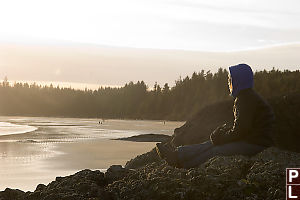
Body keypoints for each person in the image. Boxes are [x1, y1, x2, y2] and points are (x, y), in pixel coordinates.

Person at [156, 63, 275, 169]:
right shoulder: (246, 97)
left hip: (255, 143)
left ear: (238, 80)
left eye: (230, 79)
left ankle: (182, 164)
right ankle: (176, 155)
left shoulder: (245, 99)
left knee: (216, 150)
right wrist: (223, 134)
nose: (228, 83)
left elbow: (242, 130)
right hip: (253, 139)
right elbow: (242, 126)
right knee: (210, 143)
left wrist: (222, 138)